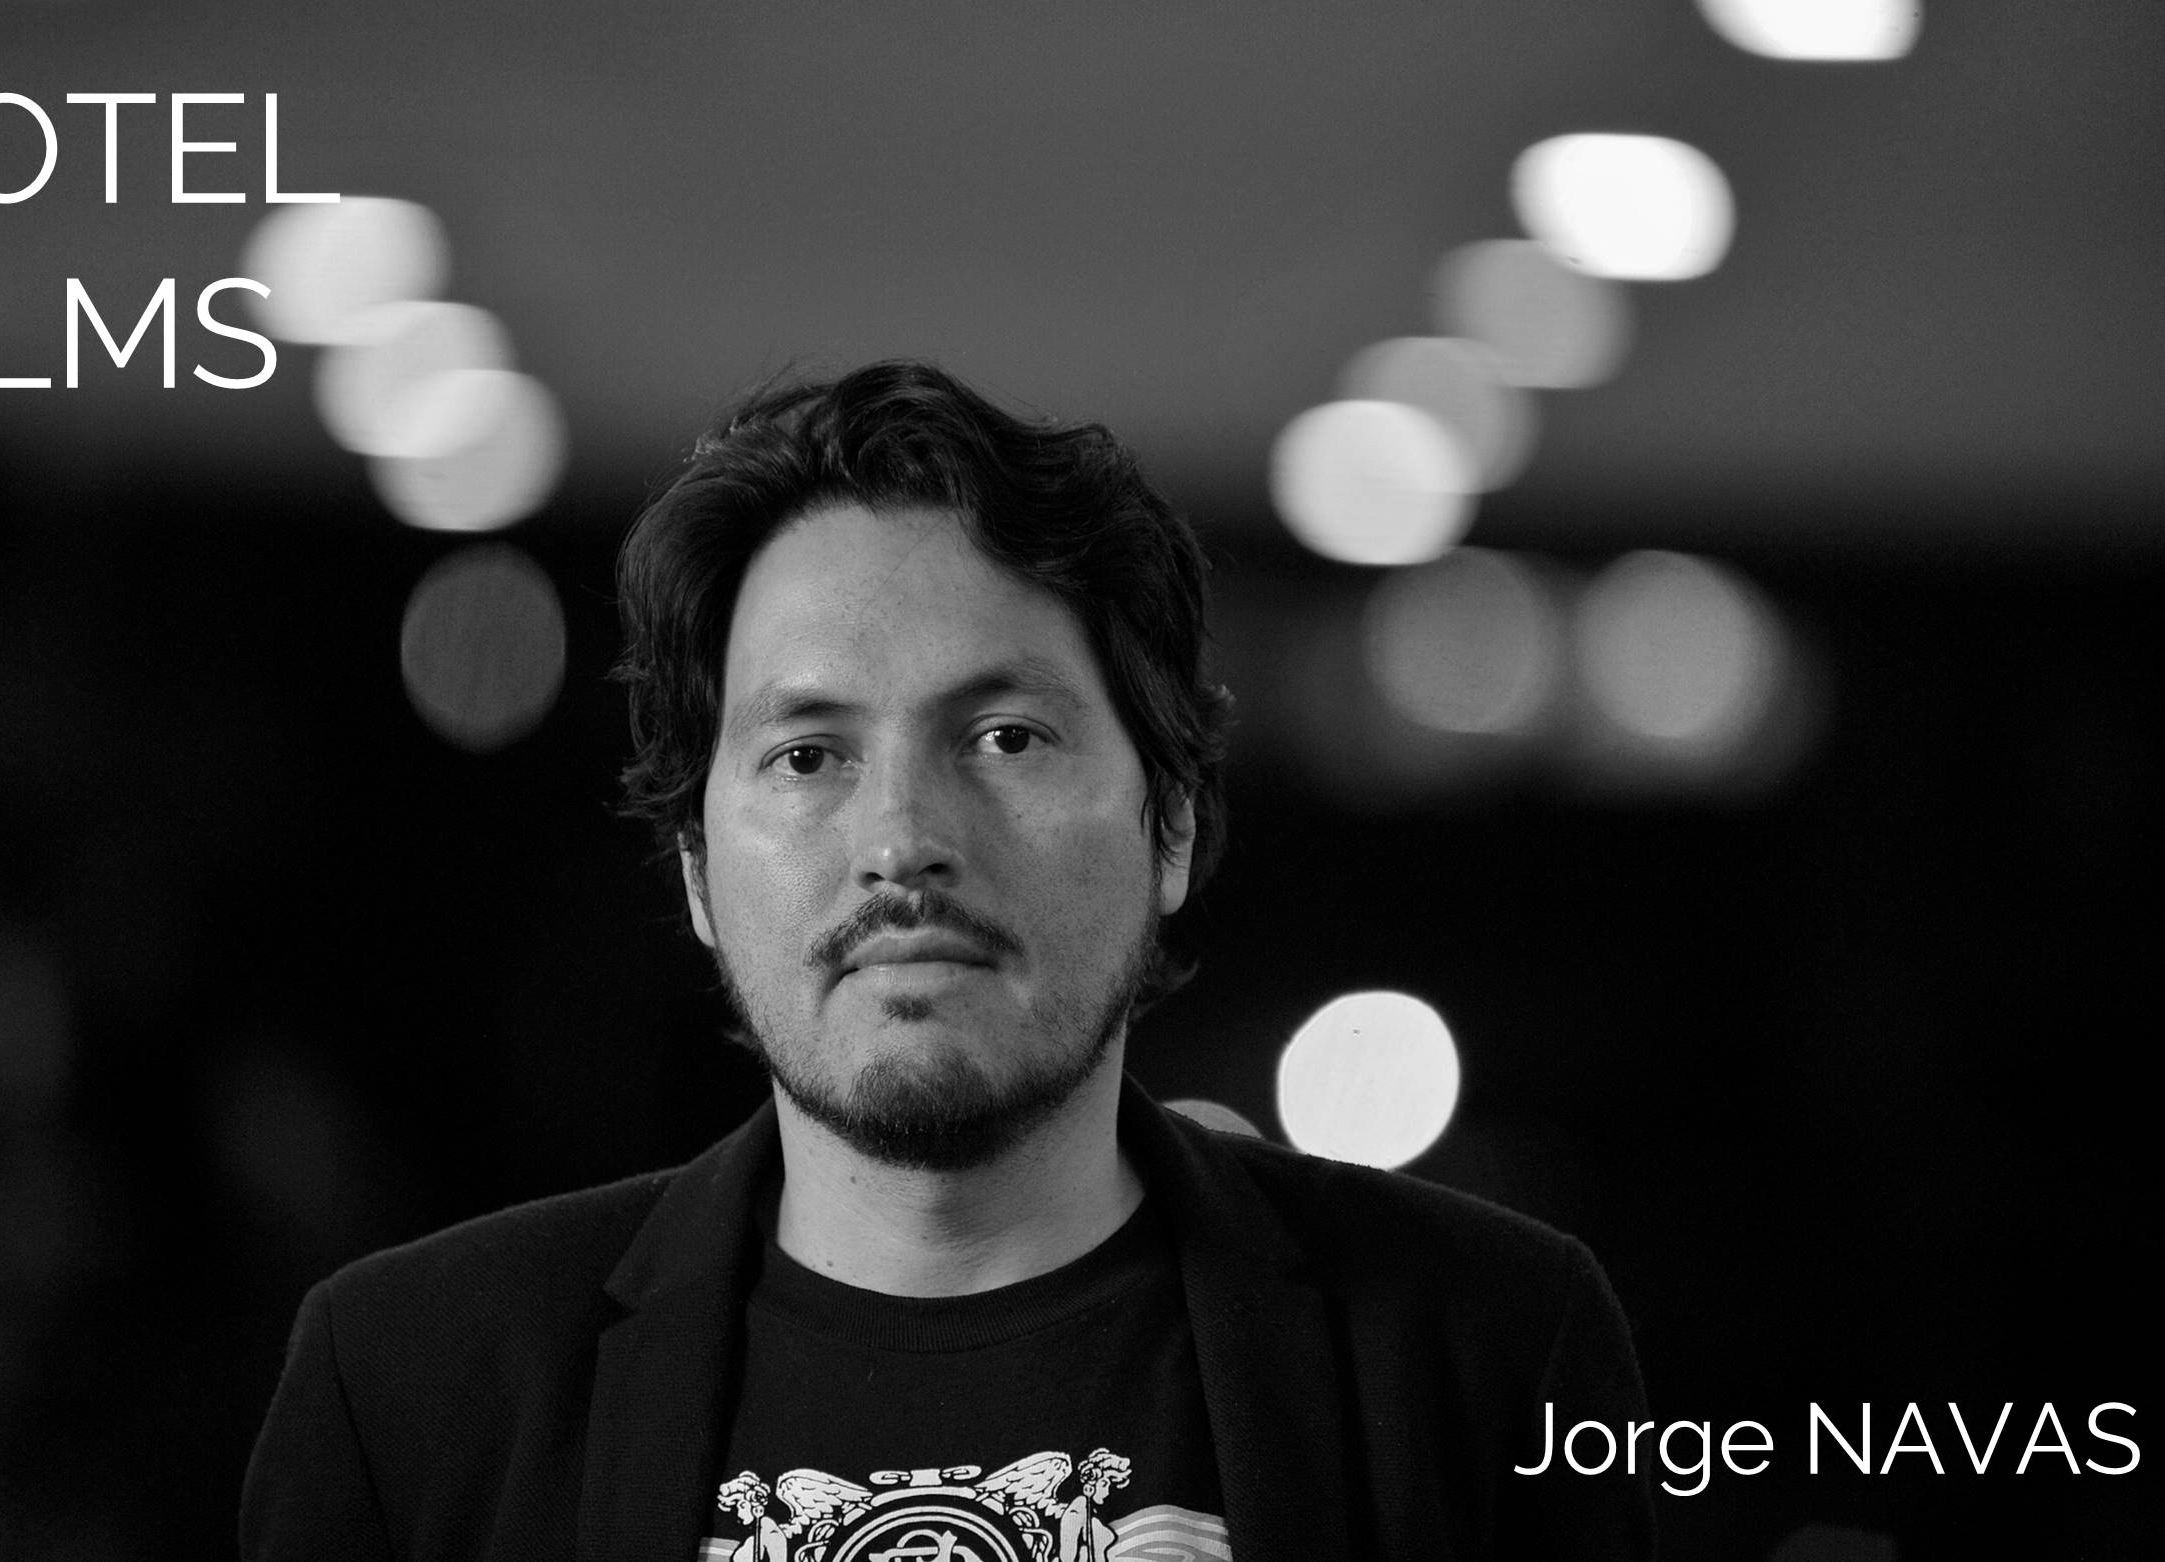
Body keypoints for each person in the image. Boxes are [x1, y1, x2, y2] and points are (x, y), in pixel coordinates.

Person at [240, 361, 1657, 1561]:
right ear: (697, 873)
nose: (903, 841)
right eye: (809, 755)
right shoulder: (411, 1396)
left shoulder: (1486, 1352)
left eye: (1005, 737)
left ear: (1170, 824)